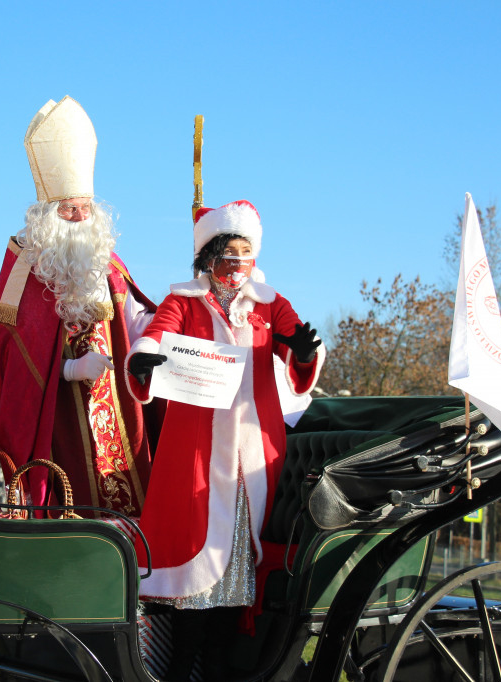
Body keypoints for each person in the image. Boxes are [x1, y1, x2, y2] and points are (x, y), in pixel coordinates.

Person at [123, 200, 324, 680]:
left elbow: (296, 344)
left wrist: (301, 352)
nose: (236, 265)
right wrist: (144, 358)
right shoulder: (184, 301)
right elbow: (156, 335)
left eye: (244, 255)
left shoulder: (269, 302)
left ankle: (217, 668)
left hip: (252, 449)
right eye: (227, 255)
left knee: (236, 564)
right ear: (208, 257)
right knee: (192, 555)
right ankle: (180, 668)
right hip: (194, 447)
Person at [0, 96, 157, 517]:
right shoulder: (26, 267)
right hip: (55, 416)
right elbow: (13, 361)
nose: (79, 217)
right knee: (68, 504)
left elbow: (137, 321)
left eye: (85, 208)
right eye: (68, 209)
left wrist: (164, 330)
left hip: (117, 406)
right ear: (48, 213)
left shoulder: (108, 263)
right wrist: (69, 370)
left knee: (129, 506)